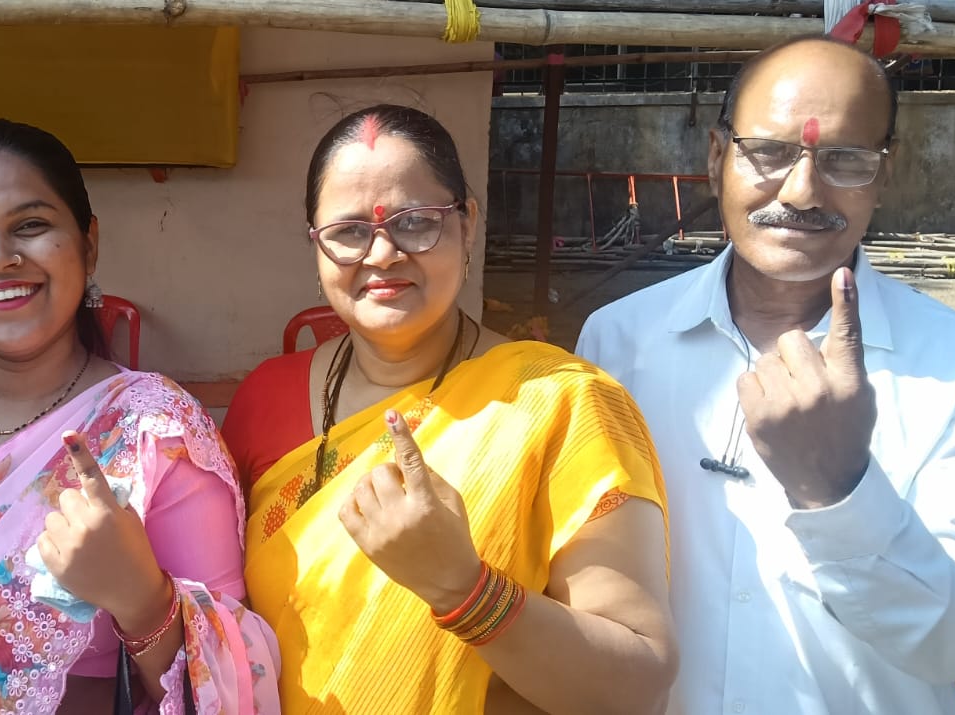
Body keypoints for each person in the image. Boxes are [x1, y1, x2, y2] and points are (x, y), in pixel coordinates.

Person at [224, 104, 677, 714]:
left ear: (468, 225)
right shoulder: (263, 398)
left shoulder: (563, 402)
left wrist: (463, 589)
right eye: (349, 232)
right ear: (316, 246)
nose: (382, 254)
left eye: (415, 223)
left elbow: (637, 685)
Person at [577, 36, 955, 714]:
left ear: (885, 174)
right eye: (768, 152)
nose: (801, 191)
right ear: (716, 158)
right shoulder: (617, 342)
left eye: (845, 160)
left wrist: (838, 487)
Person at [0, 118, 279, 714]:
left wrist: (142, 599)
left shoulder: (154, 430)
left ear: (89, 243)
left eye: (30, 226)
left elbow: (235, 685)